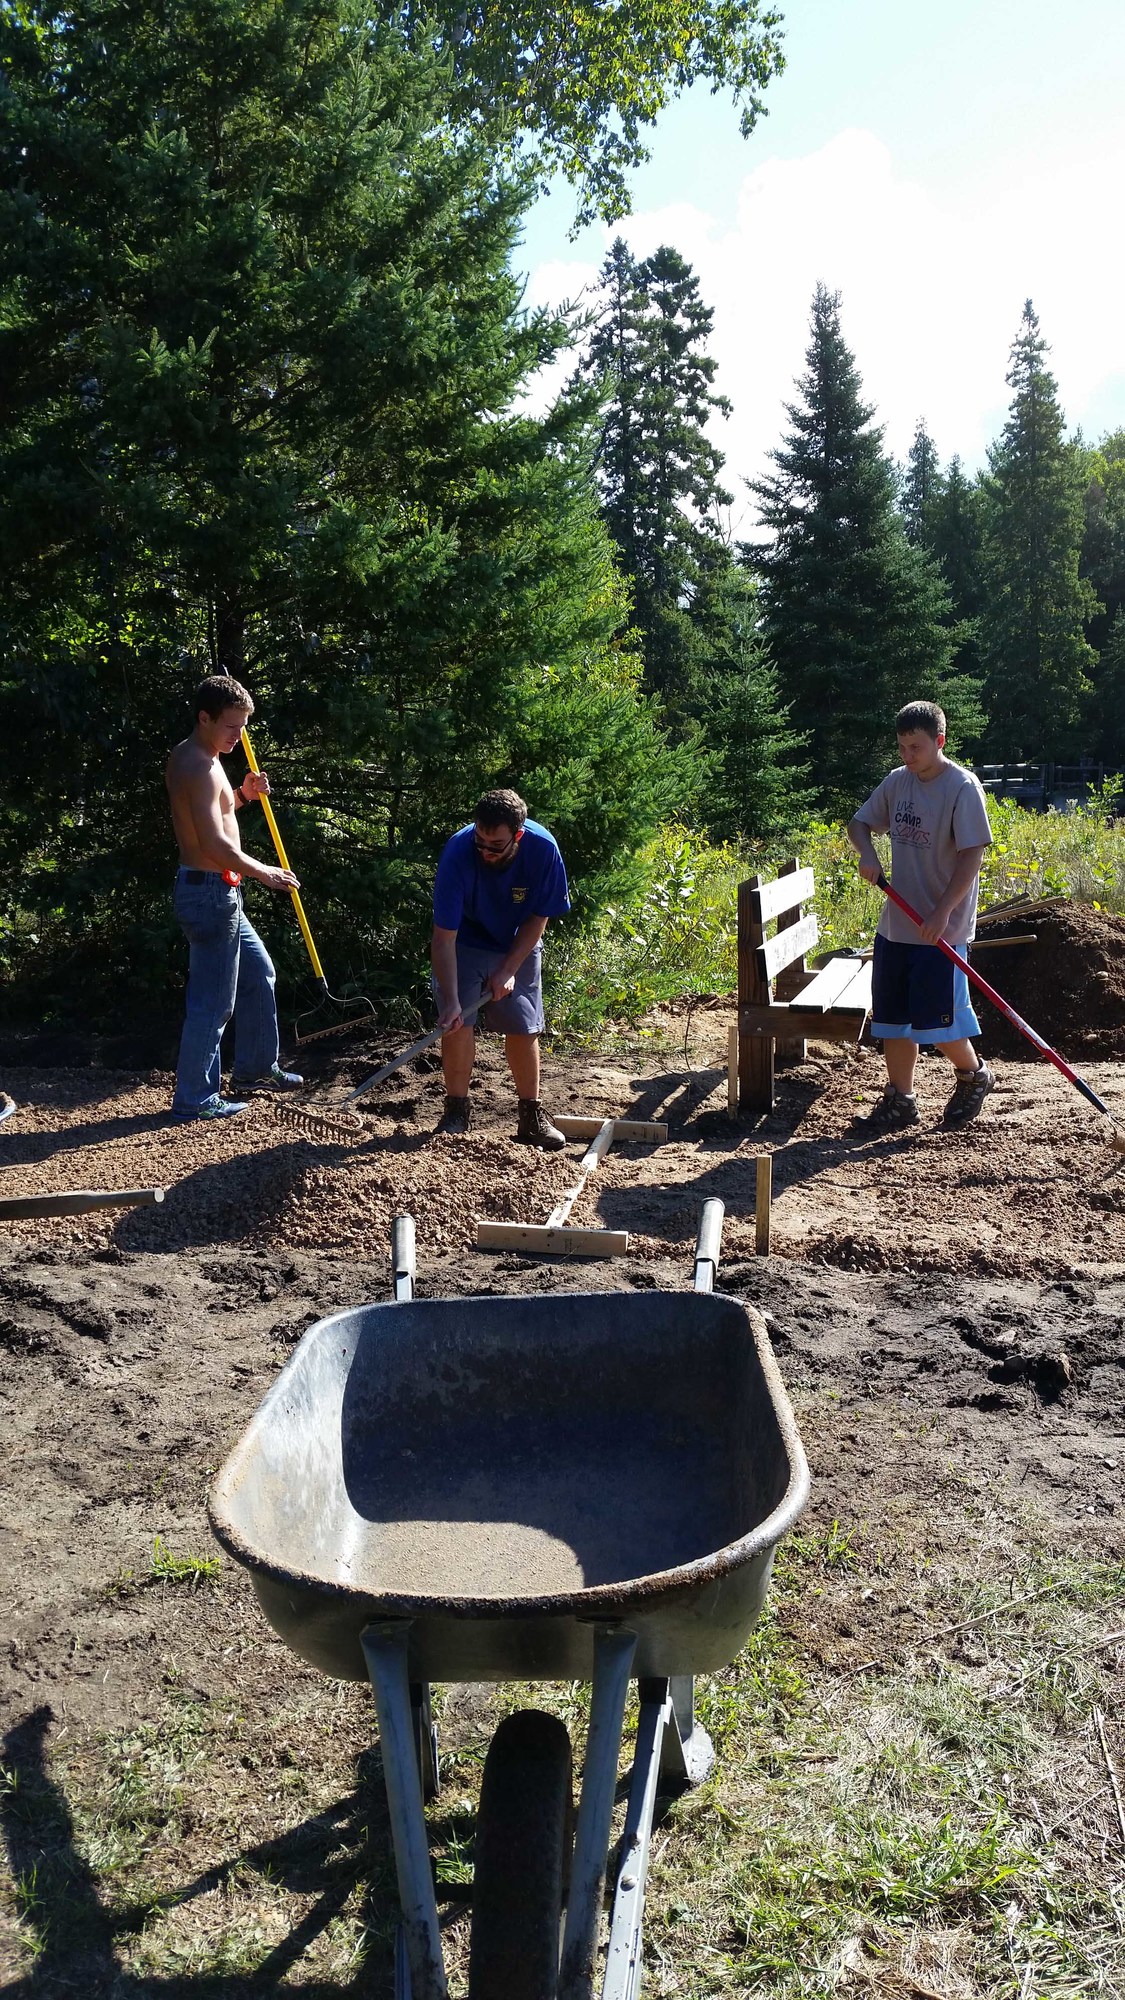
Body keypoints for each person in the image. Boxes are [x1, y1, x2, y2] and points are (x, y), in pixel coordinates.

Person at [847, 699, 995, 1132]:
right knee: (892, 1021)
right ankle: (901, 1099)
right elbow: (859, 824)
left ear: (939, 742)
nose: (908, 756)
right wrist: (868, 852)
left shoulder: (962, 788)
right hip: (896, 925)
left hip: (940, 931)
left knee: (940, 1025)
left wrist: (942, 912)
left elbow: (972, 857)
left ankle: (974, 1075)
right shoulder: (898, 783)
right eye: (902, 747)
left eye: (916, 747)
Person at [166, 675, 303, 1122]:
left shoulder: (207, 757)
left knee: (260, 972)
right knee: (213, 1002)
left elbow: (218, 817)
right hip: (209, 893)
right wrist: (265, 872)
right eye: (230, 727)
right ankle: (195, 1099)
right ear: (204, 718)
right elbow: (213, 845)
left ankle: (256, 1069)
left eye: (243, 727)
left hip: (218, 891)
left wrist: (243, 794)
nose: (237, 737)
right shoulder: (197, 765)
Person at [431, 789, 570, 1147]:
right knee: (458, 1022)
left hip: (517, 939)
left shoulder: (543, 850)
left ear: (517, 836)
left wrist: (508, 969)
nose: (485, 852)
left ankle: (531, 1116)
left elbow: (540, 915)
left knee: (524, 1026)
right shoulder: (458, 854)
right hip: (465, 940)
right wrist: (450, 1001)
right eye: (480, 841)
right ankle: (456, 1111)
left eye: (495, 845)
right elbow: (444, 938)